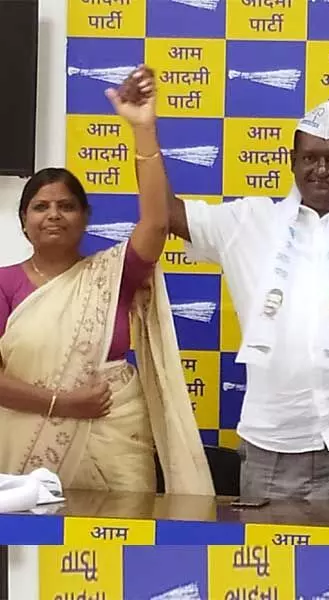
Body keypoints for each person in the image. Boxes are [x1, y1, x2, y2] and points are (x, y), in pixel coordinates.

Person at [157, 14, 329, 502]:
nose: (322, 168)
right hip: (273, 442)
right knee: (271, 577)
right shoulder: (249, 222)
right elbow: (162, 213)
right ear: (292, 162)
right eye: (310, 156)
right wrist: (143, 129)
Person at [0, 67, 213, 495]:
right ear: (24, 222)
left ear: (85, 218)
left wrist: (143, 129)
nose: (54, 214)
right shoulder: (4, 284)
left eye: (66, 206)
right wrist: (64, 404)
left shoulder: (112, 274)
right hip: (23, 450)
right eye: (40, 207)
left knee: (123, 549)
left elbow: (156, 222)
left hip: (116, 443)